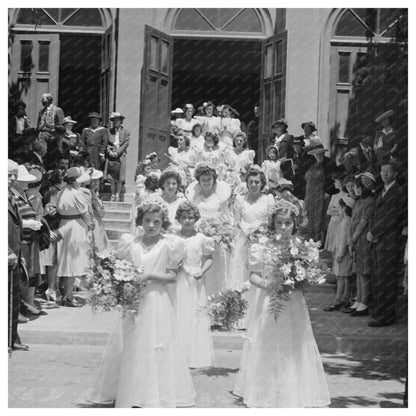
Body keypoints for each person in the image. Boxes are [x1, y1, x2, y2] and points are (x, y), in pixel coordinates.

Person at [91, 197, 195, 408]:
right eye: (147, 220)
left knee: (157, 343)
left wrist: (150, 276)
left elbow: (172, 277)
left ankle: (154, 394)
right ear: (140, 220)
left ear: (163, 223)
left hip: (157, 300)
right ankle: (132, 392)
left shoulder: (170, 244)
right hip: (135, 301)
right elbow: (122, 269)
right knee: (134, 343)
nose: (151, 226)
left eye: (156, 222)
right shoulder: (131, 243)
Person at [233, 199, 330, 407]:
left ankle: (291, 389)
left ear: (295, 224)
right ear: (273, 224)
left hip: (293, 301)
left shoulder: (301, 248)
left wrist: (303, 278)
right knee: (268, 341)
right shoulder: (262, 246)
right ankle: (264, 389)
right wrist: (265, 283)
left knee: (292, 344)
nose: (284, 227)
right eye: (279, 223)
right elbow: (253, 275)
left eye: (288, 223)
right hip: (270, 300)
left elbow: (307, 278)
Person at [175, 201, 216, 368]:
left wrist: (202, 271)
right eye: (184, 217)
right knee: (178, 312)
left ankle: (193, 354)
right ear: (179, 219)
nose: (187, 221)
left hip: (194, 279)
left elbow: (209, 259)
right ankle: (177, 354)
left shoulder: (201, 238)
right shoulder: (173, 237)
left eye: (190, 217)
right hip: (178, 278)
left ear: (196, 219)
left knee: (194, 314)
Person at [367, 161, 406, 327]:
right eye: (382, 172)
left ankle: (386, 316)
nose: (385, 174)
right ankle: (378, 311)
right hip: (378, 243)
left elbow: (392, 217)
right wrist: (372, 233)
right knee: (377, 279)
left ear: (395, 173)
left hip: (389, 242)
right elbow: (375, 215)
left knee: (386, 280)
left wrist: (374, 232)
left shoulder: (399, 192)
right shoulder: (381, 191)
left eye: (388, 172)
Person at [185, 162, 232, 295]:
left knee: (216, 271)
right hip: (199, 239)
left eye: (209, 179)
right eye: (203, 180)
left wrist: (219, 232)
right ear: (199, 181)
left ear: (213, 180)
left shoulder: (219, 199)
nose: (206, 182)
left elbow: (226, 218)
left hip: (215, 239)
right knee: (199, 269)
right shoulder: (196, 199)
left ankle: (216, 300)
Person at [228, 166, 274, 290]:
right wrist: (247, 230)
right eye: (250, 182)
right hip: (244, 240)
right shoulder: (240, 199)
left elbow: (271, 222)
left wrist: (260, 233)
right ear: (247, 183)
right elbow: (236, 221)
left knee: (260, 271)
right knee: (242, 272)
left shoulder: (267, 200)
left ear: (262, 183)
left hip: (263, 241)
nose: (253, 185)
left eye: (257, 182)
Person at [11, 165, 44, 318]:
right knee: (22, 275)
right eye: (23, 181)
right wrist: (27, 224)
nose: (26, 184)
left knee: (30, 273)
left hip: (30, 238)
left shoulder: (22, 195)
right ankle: (18, 308)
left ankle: (25, 304)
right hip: (21, 239)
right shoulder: (13, 197)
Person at [55, 167, 92, 307]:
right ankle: (68, 296)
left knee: (67, 260)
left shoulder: (61, 192)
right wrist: (90, 224)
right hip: (75, 226)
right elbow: (85, 212)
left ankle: (66, 293)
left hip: (64, 224)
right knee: (73, 261)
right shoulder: (77, 194)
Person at [346, 173, 376, 316]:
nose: (356, 190)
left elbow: (363, 222)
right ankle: (358, 300)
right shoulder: (359, 201)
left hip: (362, 239)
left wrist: (353, 238)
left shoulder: (370, 201)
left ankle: (364, 302)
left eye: (358, 187)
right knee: (358, 271)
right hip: (355, 239)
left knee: (364, 272)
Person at [8, 160, 29, 351]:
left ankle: (12, 337)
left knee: (13, 301)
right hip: (7, 255)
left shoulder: (12, 197)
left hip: (14, 255)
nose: (12, 179)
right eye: (8, 175)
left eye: (14, 175)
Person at [323, 197, 355, 312]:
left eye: (340, 207)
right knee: (346, 278)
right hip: (345, 254)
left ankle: (337, 301)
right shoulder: (347, 221)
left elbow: (344, 240)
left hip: (342, 253)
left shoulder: (345, 223)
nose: (338, 209)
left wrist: (340, 254)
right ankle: (345, 299)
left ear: (345, 208)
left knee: (341, 278)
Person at [305, 145, 336, 243]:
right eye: (316, 154)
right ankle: (311, 240)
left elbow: (332, 179)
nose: (318, 156)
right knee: (311, 216)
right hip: (310, 194)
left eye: (320, 154)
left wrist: (328, 191)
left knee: (321, 217)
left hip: (322, 193)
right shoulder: (310, 163)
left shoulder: (329, 162)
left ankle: (321, 241)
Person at [36, 93, 65, 169]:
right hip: (42, 139)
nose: (42, 101)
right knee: (42, 157)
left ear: (49, 99)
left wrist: (53, 128)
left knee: (54, 158)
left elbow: (63, 126)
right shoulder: (41, 112)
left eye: (43, 99)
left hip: (54, 138)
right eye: (42, 100)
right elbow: (38, 125)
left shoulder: (58, 110)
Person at [106, 112, 130, 202]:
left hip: (120, 155)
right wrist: (110, 152)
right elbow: (106, 143)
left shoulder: (126, 132)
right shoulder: (109, 132)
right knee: (111, 176)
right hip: (111, 155)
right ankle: (112, 194)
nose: (116, 121)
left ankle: (117, 194)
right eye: (114, 120)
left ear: (121, 121)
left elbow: (126, 144)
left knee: (120, 176)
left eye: (117, 120)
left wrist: (117, 152)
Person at [324, 171, 347, 254]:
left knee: (339, 248)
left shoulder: (347, 196)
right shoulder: (334, 196)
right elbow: (328, 211)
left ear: (341, 183)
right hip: (333, 223)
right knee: (332, 250)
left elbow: (345, 212)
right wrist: (339, 210)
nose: (334, 183)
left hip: (342, 224)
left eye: (336, 182)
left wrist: (335, 210)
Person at [159, 166, 187, 231]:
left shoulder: (183, 202)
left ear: (178, 185)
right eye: (168, 183)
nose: (171, 186)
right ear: (163, 184)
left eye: (174, 183)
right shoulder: (157, 201)